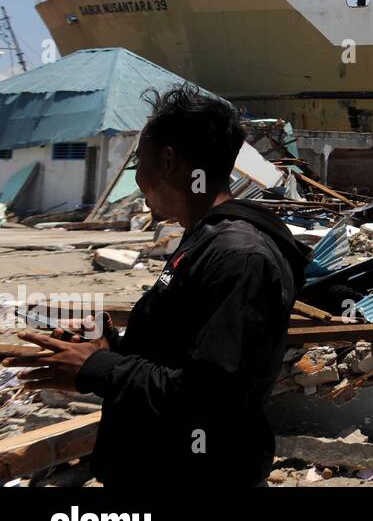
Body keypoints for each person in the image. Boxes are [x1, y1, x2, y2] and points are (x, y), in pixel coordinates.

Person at [15, 84, 308, 486]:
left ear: (168, 161)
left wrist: (98, 369)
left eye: (140, 160)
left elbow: (210, 398)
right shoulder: (205, 239)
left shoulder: (239, 256)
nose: (137, 177)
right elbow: (181, 354)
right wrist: (108, 344)